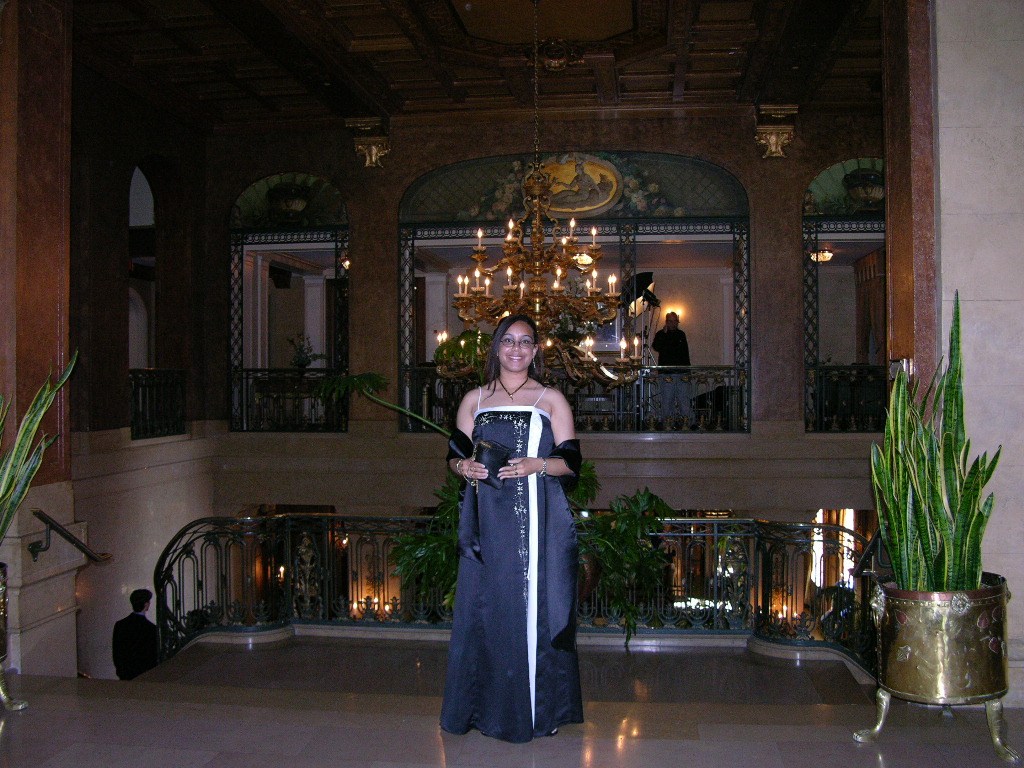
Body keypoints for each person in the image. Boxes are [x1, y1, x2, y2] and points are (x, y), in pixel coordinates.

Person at [440, 314, 584, 743]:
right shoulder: (475, 398)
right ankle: (484, 709)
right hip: (487, 521)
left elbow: (571, 463)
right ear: (497, 348)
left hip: (538, 520)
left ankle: (540, 712)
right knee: (488, 609)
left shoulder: (551, 399)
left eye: (525, 341)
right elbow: (454, 456)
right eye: (508, 340)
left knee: (536, 609)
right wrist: (464, 467)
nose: (516, 348)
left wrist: (538, 464)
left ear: (536, 350)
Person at [651, 311, 694, 425]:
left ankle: (686, 423)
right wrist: (664, 334)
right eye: (671, 321)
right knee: (667, 399)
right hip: (666, 373)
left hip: (681, 373)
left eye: (675, 321)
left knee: (684, 399)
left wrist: (688, 371)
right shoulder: (661, 334)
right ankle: (667, 424)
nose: (673, 324)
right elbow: (656, 346)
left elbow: (685, 353)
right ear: (666, 322)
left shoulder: (681, 334)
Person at [112, 588, 159, 680]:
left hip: (126, 675)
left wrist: (121, 672)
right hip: (144, 676)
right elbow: (152, 656)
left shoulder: (120, 625)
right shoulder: (151, 628)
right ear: (146, 605)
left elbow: (116, 653)